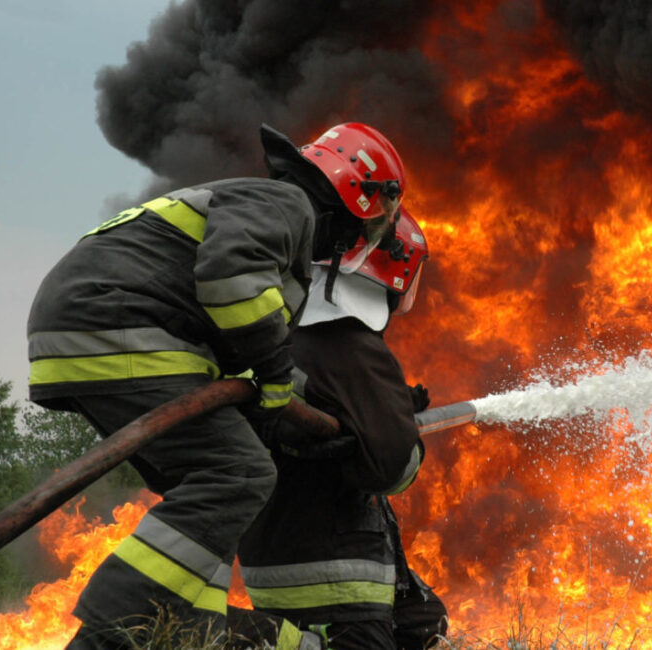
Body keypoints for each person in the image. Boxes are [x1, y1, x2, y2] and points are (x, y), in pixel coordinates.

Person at [26, 121, 408, 649]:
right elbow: (231, 280)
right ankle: (112, 632)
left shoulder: (265, 209)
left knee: (206, 492)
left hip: (86, 328)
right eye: (374, 223)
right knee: (240, 473)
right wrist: (276, 378)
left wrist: (292, 410)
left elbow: (232, 339)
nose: (362, 240)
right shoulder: (287, 204)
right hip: (117, 324)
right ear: (357, 195)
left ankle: (180, 629)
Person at [235, 206, 448, 650]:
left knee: (425, 625)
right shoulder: (349, 342)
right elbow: (393, 469)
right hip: (331, 568)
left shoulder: (284, 330)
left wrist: (385, 410)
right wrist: (400, 429)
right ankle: (225, 637)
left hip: (271, 553)